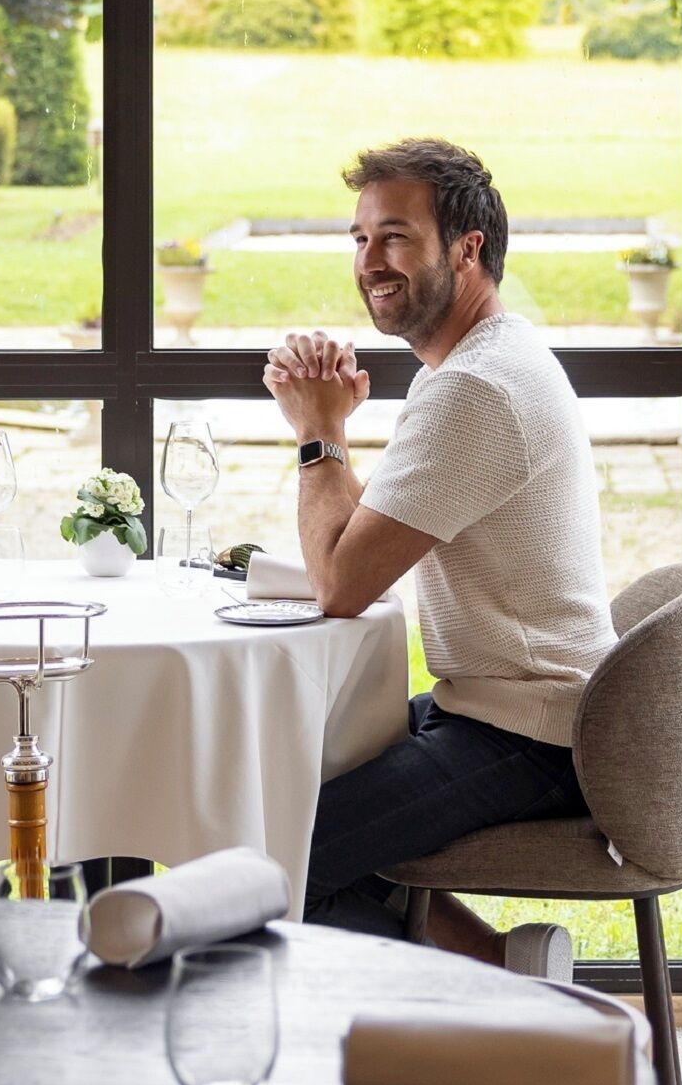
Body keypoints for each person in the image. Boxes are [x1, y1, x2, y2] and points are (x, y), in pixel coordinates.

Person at [263, 138, 617, 980]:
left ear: (468, 248)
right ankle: (508, 972)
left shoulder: (474, 388)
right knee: (279, 785)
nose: (370, 261)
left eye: (396, 236)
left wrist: (320, 433)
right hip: (507, 709)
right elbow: (356, 550)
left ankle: (498, 1008)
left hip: (532, 733)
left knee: (274, 859)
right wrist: (332, 435)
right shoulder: (479, 362)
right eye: (359, 238)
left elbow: (341, 584)